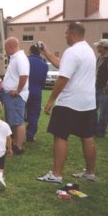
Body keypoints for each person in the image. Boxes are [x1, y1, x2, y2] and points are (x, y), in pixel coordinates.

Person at [36, 22, 97, 184]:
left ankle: (56, 175)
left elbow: (63, 78)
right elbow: (62, 64)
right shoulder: (88, 51)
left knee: (60, 136)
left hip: (69, 102)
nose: (64, 35)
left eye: (66, 32)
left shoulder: (72, 51)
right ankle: (90, 173)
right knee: (87, 136)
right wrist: (46, 52)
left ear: (72, 33)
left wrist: (50, 101)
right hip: (88, 102)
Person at [3, 37, 30, 155]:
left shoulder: (20, 58)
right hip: (12, 95)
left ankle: (18, 147)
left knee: (18, 121)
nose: (5, 51)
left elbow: (24, 75)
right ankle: (15, 144)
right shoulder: (15, 58)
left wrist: (18, 91)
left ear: (10, 46)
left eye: (5, 48)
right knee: (14, 120)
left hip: (16, 96)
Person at [92, 39, 108, 137]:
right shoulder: (100, 57)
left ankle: (101, 132)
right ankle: (94, 130)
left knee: (104, 112)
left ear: (103, 47)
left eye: (98, 46)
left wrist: (107, 86)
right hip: (97, 87)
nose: (97, 48)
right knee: (93, 109)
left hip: (105, 89)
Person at [26, 43, 48, 142]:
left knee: (19, 112)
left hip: (24, 90)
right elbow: (43, 81)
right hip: (37, 91)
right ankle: (30, 135)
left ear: (30, 51)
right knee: (34, 114)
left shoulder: (25, 61)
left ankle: (17, 134)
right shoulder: (44, 64)